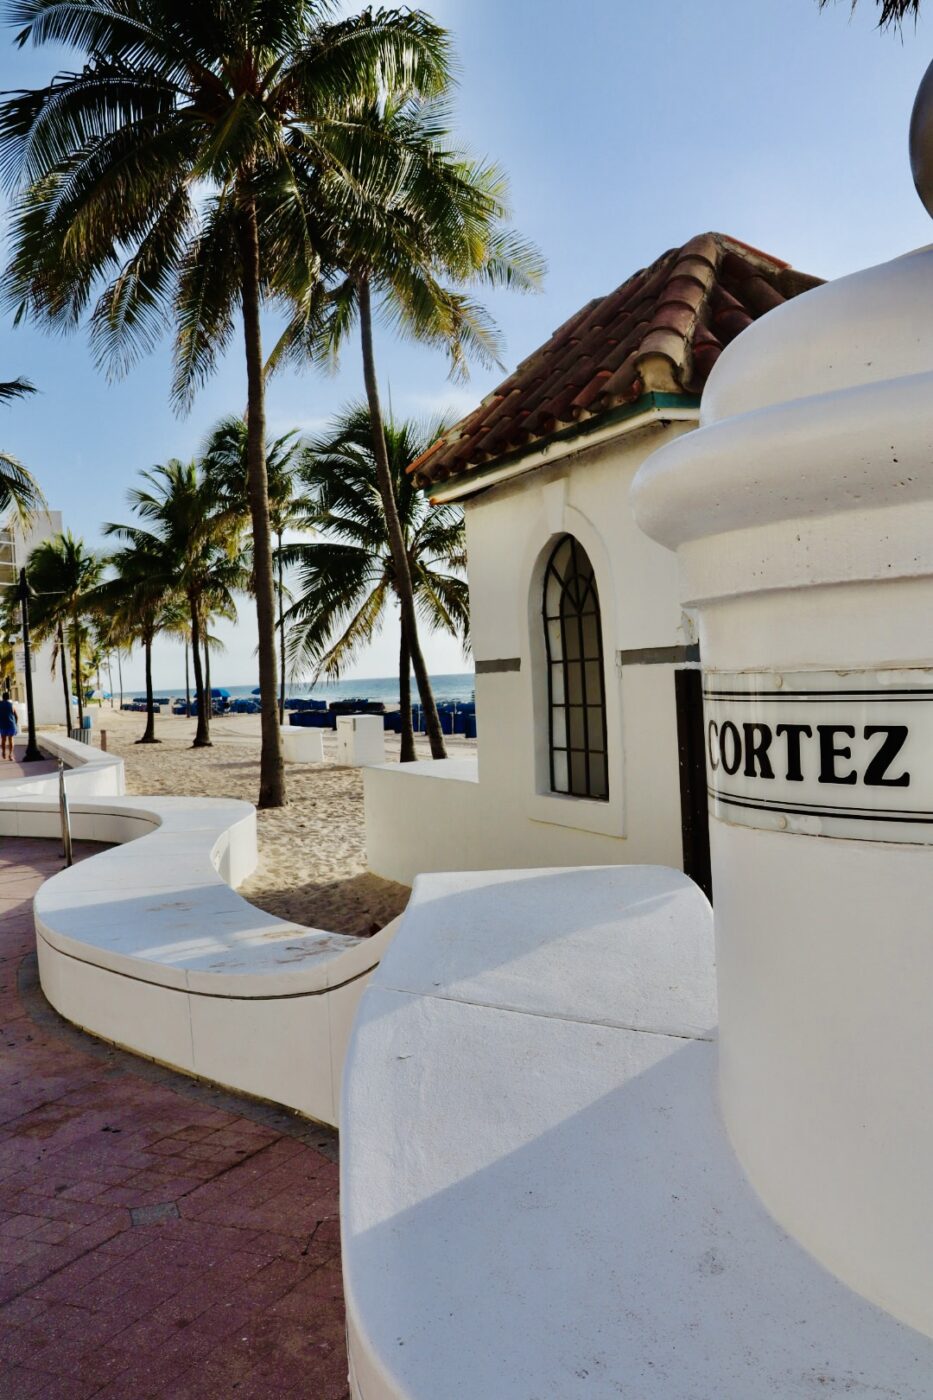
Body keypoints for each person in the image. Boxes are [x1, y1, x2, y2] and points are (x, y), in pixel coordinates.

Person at [0, 689, 17, 762]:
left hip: (3, 724)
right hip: (11, 724)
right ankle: (10, 755)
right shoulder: (11, 705)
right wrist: (15, 723)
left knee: (3, 740)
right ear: (8, 698)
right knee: (11, 740)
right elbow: (16, 716)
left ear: (3, 697)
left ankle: (3, 752)